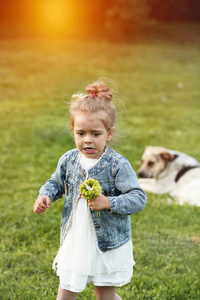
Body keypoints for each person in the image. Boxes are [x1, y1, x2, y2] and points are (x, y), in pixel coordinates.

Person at [34, 81, 147, 300]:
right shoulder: (69, 159)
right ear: (73, 131)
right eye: (81, 133)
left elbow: (138, 198)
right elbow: (56, 183)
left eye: (95, 134)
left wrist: (109, 203)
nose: (87, 140)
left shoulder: (117, 164)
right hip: (76, 238)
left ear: (109, 133)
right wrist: (45, 195)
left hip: (106, 243)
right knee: (66, 290)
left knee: (104, 295)